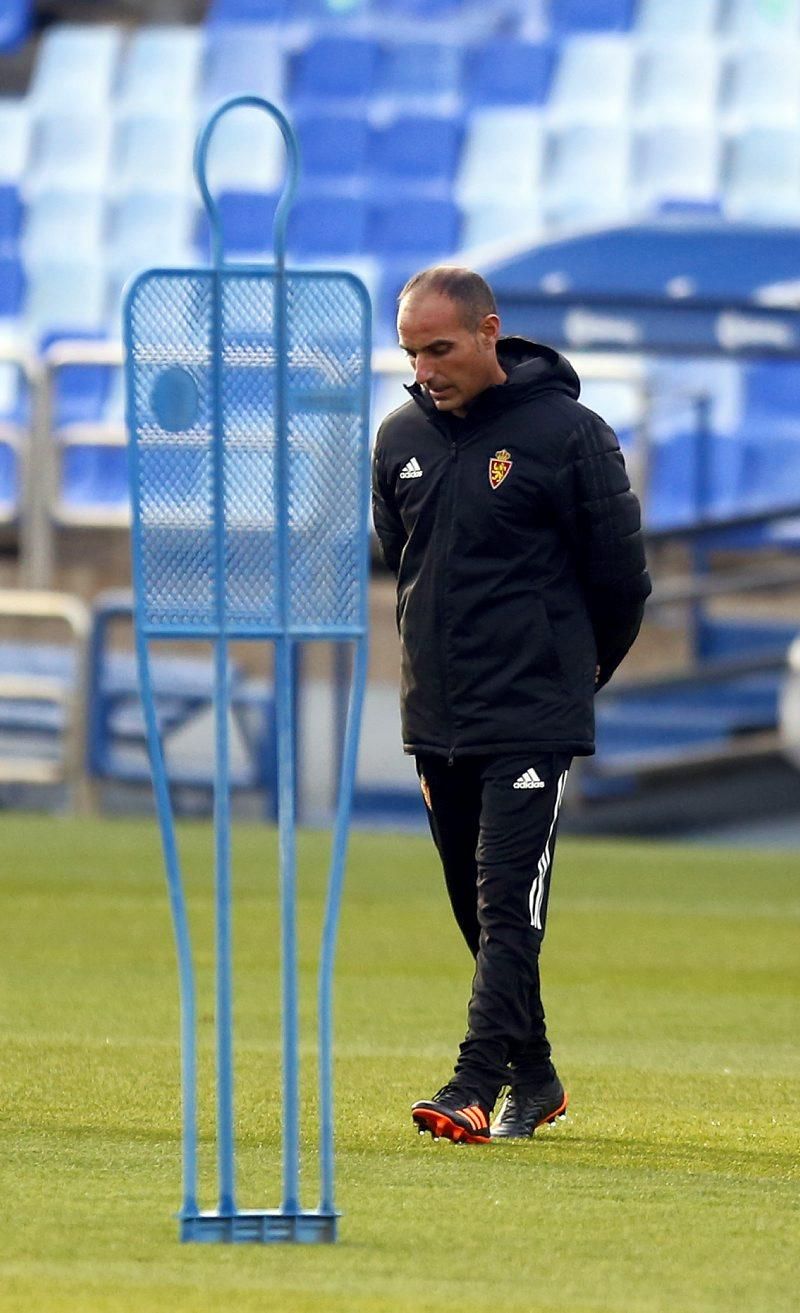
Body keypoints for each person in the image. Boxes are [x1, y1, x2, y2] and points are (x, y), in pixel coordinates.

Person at [371, 266, 652, 1145]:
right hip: (438, 714)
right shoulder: (397, 438)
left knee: (505, 902)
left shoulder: (569, 435)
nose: (425, 368)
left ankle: (474, 1080)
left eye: (441, 347)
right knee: (474, 903)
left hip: (531, 711)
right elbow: (401, 558)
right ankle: (535, 1073)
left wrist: (574, 677)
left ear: (490, 332)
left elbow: (622, 582)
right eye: (412, 351)